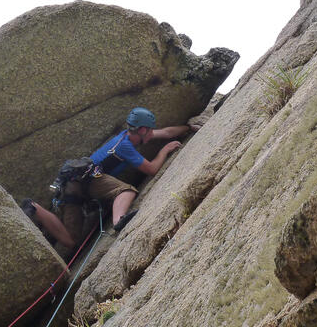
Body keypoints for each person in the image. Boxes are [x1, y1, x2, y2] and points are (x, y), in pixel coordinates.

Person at [23, 107, 200, 251]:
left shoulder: (127, 135)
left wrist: (188, 128)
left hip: (73, 185)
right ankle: (119, 221)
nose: (152, 133)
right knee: (126, 191)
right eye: (150, 130)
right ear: (143, 129)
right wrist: (164, 150)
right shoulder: (124, 146)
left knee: (70, 240)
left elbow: (166, 132)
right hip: (90, 179)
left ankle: (34, 208)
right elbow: (152, 169)